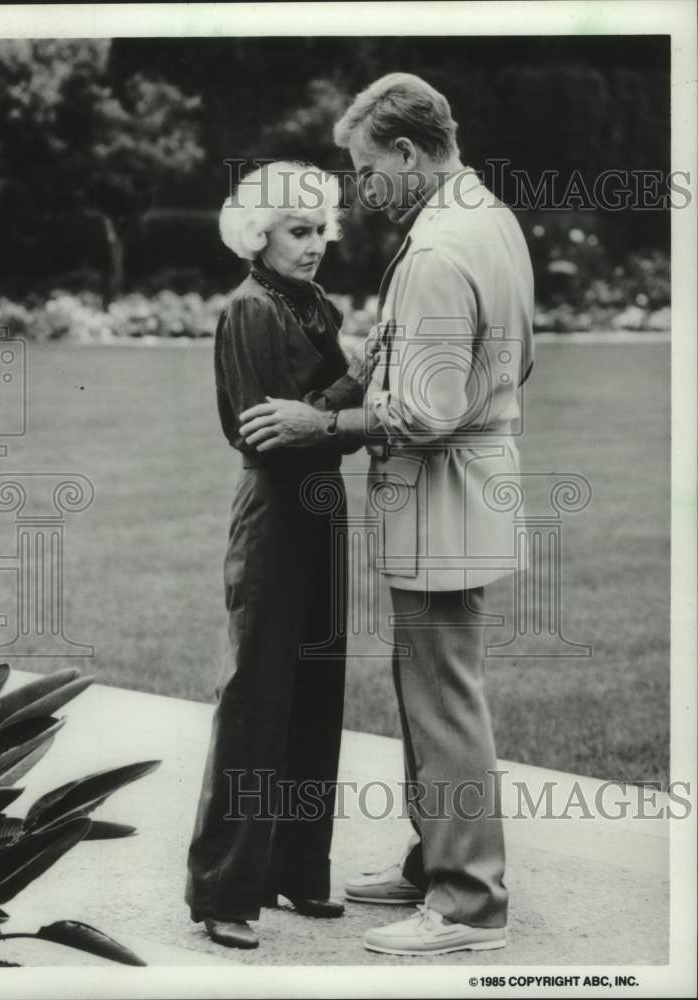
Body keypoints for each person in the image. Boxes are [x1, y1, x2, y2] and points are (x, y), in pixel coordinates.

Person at [239, 73, 535, 956]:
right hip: (475, 486)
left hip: (444, 498)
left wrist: (321, 419)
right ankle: (433, 860)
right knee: (429, 692)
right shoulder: (490, 214)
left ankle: (468, 902)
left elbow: (427, 411)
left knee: (442, 700)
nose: (361, 190)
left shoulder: (441, 247)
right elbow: (510, 362)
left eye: (368, 170)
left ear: (408, 154)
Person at [185, 161, 369, 950]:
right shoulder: (250, 309)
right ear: (258, 234)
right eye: (299, 230)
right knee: (259, 693)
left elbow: (327, 418)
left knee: (318, 689)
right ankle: (223, 889)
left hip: (322, 508)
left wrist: (337, 403)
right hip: (274, 513)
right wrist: (349, 389)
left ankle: (298, 867)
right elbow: (264, 430)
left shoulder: (314, 303)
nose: (316, 243)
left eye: (322, 229)